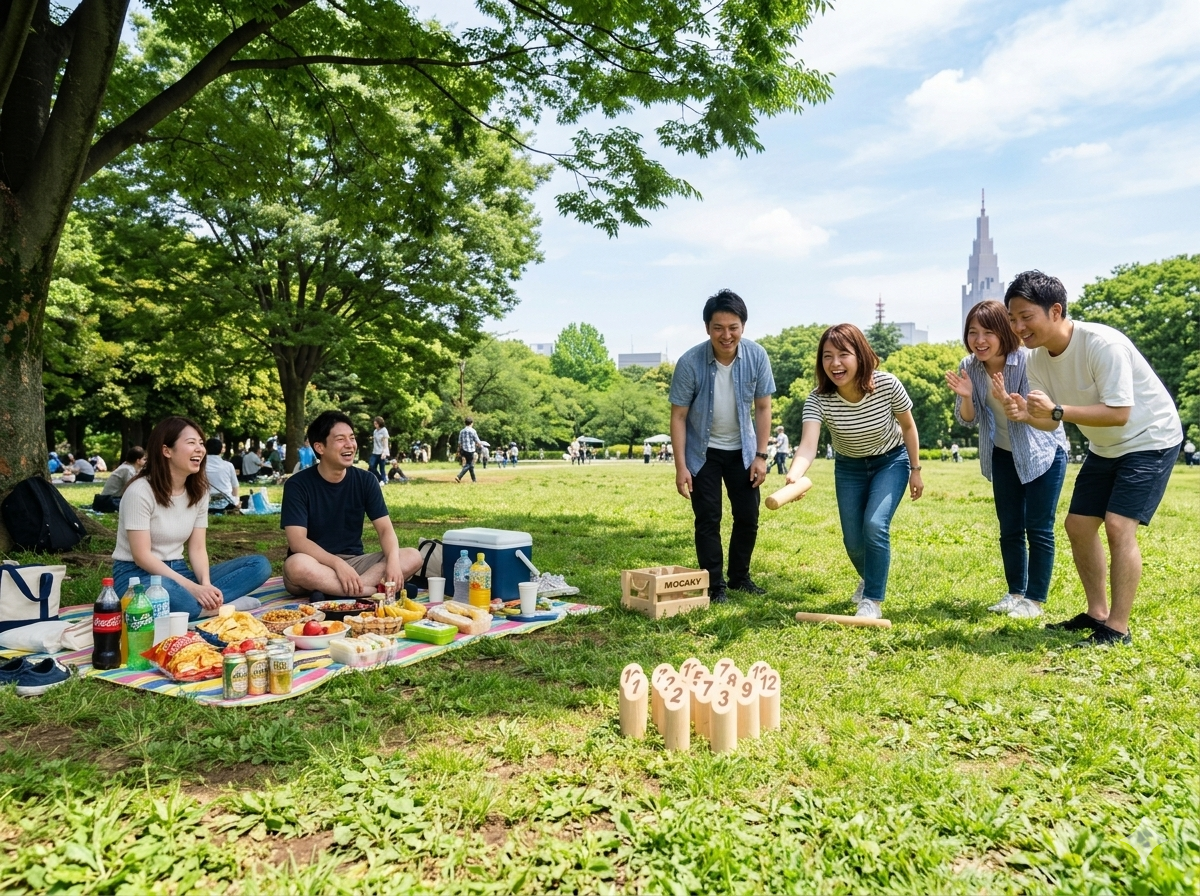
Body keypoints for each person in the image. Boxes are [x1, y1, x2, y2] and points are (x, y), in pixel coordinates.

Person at [999, 270, 1183, 646]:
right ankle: (1096, 612)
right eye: (1012, 318)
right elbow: (1051, 423)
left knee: (1118, 526)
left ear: (1055, 310)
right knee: (1079, 526)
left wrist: (1055, 411)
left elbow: (1119, 413)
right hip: (1105, 447)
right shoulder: (1036, 361)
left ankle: (1117, 627)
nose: (1018, 327)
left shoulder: (1102, 344)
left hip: (1150, 439)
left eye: (1025, 316)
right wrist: (1026, 414)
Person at [785, 324, 923, 619]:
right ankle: (868, 577)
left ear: (860, 355)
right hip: (849, 468)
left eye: (843, 354)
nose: (835, 363)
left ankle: (872, 599)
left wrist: (915, 469)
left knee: (874, 524)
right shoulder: (818, 399)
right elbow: (808, 445)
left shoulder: (887, 385)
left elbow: (909, 427)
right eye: (827, 356)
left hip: (891, 461)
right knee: (852, 539)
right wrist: (794, 476)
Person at [945, 300, 1068, 619]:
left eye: (988, 332)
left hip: (1043, 452)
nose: (979, 340)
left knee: (1039, 528)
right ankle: (1015, 593)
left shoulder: (1027, 362)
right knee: (1010, 528)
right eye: (973, 332)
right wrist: (968, 396)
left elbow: (1040, 416)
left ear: (1004, 331)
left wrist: (1011, 404)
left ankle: (1035, 600)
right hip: (1001, 454)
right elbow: (968, 421)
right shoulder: (969, 365)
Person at [669, 289, 776, 603]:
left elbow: (763, 408)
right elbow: (678, 416)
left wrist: (760, 455)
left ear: (743, 326)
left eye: (733, 327)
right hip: (702, 453)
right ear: (707, 328)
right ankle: (714, 587)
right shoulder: (690, 362)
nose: (726, 335)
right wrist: (680, 467)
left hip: (743, 451)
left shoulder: (757, 356)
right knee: (708, 518)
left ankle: (740, 577)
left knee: (747, 516)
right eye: (718, 328)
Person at [111, 417, 271, 619]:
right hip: (135, 576)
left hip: (179, 570)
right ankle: (221, 608)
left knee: (259, 566)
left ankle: (202, 606)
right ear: (166, 450)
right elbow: (142, 556)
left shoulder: (198, 491)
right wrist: (193, 589)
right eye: (191, 443)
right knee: (166, 591)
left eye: (201, 443)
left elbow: (197, 548)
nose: (200, 449)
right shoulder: (140, 491)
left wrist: (204, 585)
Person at [281, 410, 422, 596]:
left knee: (412, 556)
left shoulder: (366, 480)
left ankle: (340, 591)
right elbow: (297, 541)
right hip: (315, 563)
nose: (350, 445)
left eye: (352, 438)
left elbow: (385, 530)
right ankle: (369, 591)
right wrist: (337, 564)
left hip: (356, 564)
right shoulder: (297, 485)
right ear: (320, 447)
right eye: (340, 439)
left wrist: (394, 564)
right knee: (296, 565)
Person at [92, 446, 146, 513]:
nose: (146, 461)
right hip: (110, 500)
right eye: (144, 459)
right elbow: (133, 489)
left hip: (111, 498)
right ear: (138, 461)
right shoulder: (127, 470)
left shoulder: (128, 467)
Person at [204, 437, 241, 513]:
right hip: (226, 503)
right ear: (221, 450)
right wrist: (236, 500)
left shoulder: (200, 466)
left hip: (204, 503)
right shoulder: (228, 465)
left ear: (205, 449)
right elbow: (235, 486)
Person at [455, 417, 480, 483]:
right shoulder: (473, 431)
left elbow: (459, 442)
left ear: (465, 423)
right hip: (470, 450)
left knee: (470, 465)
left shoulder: (462, 431)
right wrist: (479, 444)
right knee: (469, 464)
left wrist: (458, 451)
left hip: (463, 450)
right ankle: (459, 476)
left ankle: (474, 480)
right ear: (471, 423)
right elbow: (477, 441)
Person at [369, 416, 389, 484]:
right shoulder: (375, 431)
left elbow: (385, 442)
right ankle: (380, 478)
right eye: (374, 423)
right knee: (371, 466)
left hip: (381, 452)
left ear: (379, 423)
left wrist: (384, 452)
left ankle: (384, 480)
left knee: (381, 468)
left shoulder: (384, 430)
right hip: (375, 452)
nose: (375, 425)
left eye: (376, 424)